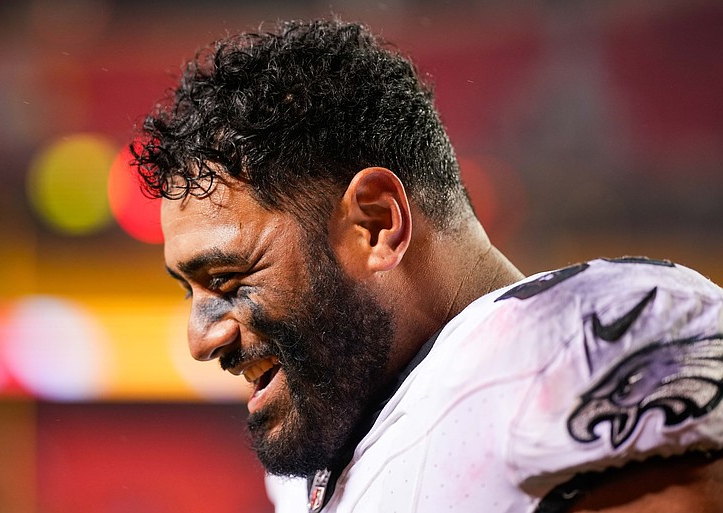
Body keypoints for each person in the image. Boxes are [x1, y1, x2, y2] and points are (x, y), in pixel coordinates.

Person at [131, 18, 723, 512]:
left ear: (375, 225)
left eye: (226, 279)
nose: (200, 338)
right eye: (189, 290)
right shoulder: (316, 453)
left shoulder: (581, 343)